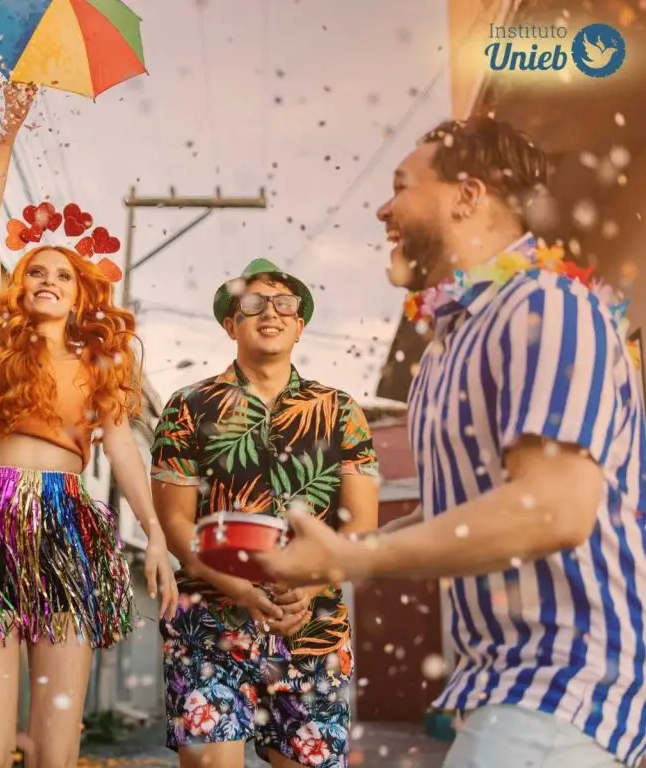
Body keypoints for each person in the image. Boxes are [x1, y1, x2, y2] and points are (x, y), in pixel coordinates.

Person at [257, 116, 646, 768]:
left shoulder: (546, 307)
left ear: (468, 195)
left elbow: (552, 509)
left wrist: (360, 561)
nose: (384, 208)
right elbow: (450, 520)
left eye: (402, 186)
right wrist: (335, 555)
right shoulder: (445, 351)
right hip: (503, 684)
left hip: (576, 677)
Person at [0, 83, 178, 768]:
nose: (48, 279)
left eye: (62, 272)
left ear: (80, 289)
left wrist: (154, 532)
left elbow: (121, 443)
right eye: (36, 269)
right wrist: (7, 133)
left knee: (59, 749)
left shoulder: (97, 365)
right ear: (19, 284)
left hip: (67, 530)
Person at [150, 257, 380, 767]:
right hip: (208, 626)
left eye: (284, 303)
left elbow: (361, 526)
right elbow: (175, 523)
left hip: (312, 629)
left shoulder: (342, 411)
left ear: (300, 323)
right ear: (231, 323)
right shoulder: (188, 405)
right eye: (252, 303)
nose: (269, 312)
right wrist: (238, 588)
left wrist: (313, 585)